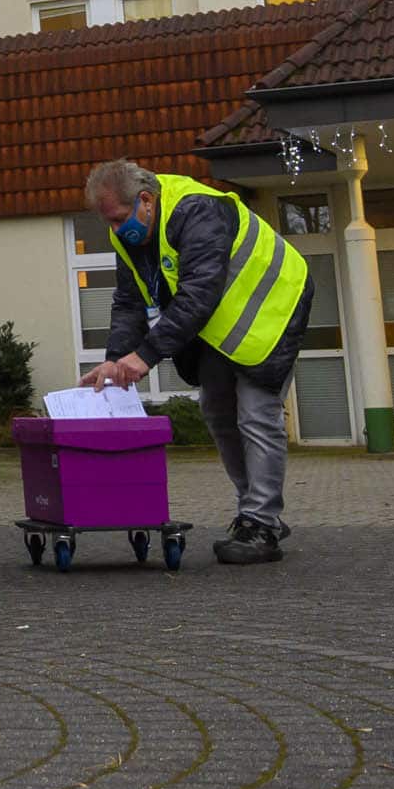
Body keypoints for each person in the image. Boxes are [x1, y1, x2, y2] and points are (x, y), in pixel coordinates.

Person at [80, 158, 311, 565]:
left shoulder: (197, 210)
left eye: (119, 219)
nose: (117, 231)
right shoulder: (130, 234)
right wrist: (115, 359)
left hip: (273, 309)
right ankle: (254, 514)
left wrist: (146, 355)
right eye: (110, 223)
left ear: (146, 201)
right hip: (221, 323)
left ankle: (262, 522)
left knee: (257, 414)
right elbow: (130, 301)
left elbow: (200, 291)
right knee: (217, 411)